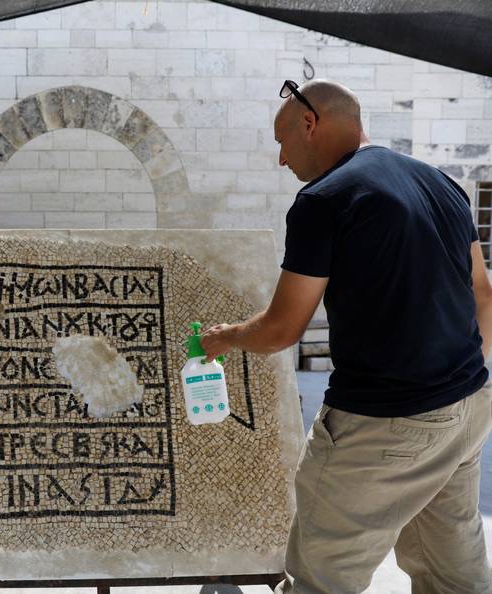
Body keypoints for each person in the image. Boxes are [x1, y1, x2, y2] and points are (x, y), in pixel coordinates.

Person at [201, 79, 492, 593]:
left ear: (309, 124)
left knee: (321, 577)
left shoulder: (324, 200)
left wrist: (224, 338)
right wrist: (460, 382)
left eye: (281, 141)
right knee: (453, 575)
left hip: (386, 422)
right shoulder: (440, 183)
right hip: (468, 408)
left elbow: (282, 328)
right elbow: (483, 297)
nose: (281, 159)